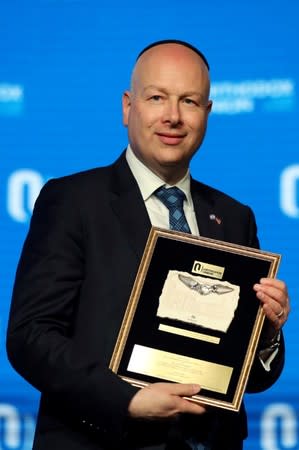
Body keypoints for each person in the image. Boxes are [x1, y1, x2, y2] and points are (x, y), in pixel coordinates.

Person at [6, 39, 290, 450]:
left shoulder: (234, 216)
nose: (172, 116)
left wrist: (266, 333)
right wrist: (129, 401)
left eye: (189, 101)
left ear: (207, 113)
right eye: (157, 97)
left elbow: (255, 377)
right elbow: (30, 336)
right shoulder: (71, 200)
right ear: (128, 107)